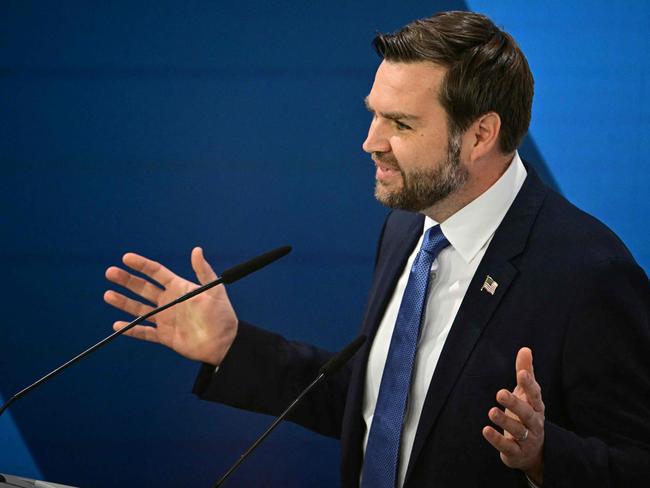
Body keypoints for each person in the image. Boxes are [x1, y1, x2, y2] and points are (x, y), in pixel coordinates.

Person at [103, 11, 650, 488]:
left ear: (481, 134)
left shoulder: (588, 273)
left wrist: (542, 459)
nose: (370, 141)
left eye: (401, 123)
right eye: (374, 113)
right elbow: (382, 406)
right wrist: (233, 346)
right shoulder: (408, 228)